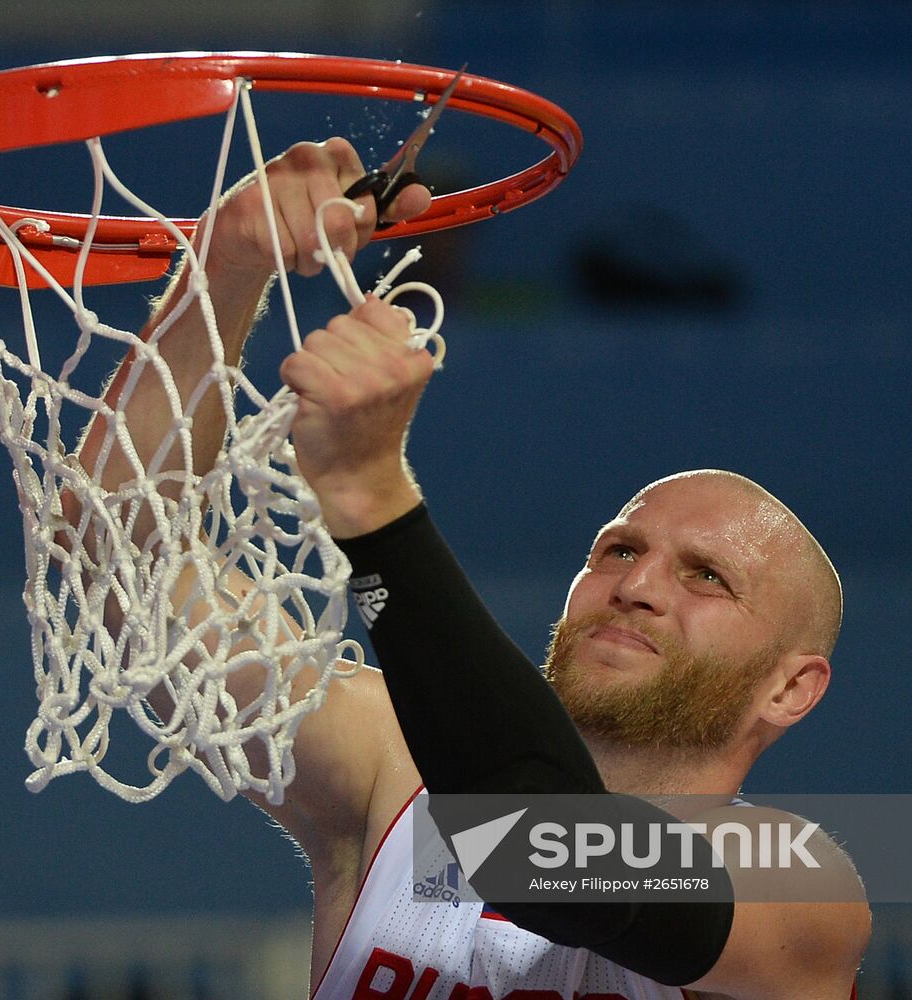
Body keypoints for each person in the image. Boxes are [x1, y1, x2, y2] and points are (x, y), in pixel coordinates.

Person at [81, 138, 870, 999]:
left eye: (707, 577)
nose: (638, 587)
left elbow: (541, 854)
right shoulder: (393, 765)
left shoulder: (802, 890)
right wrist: (225, 268)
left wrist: (372, 499)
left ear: (792, 688)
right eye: (620, 549)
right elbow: (123, 568)